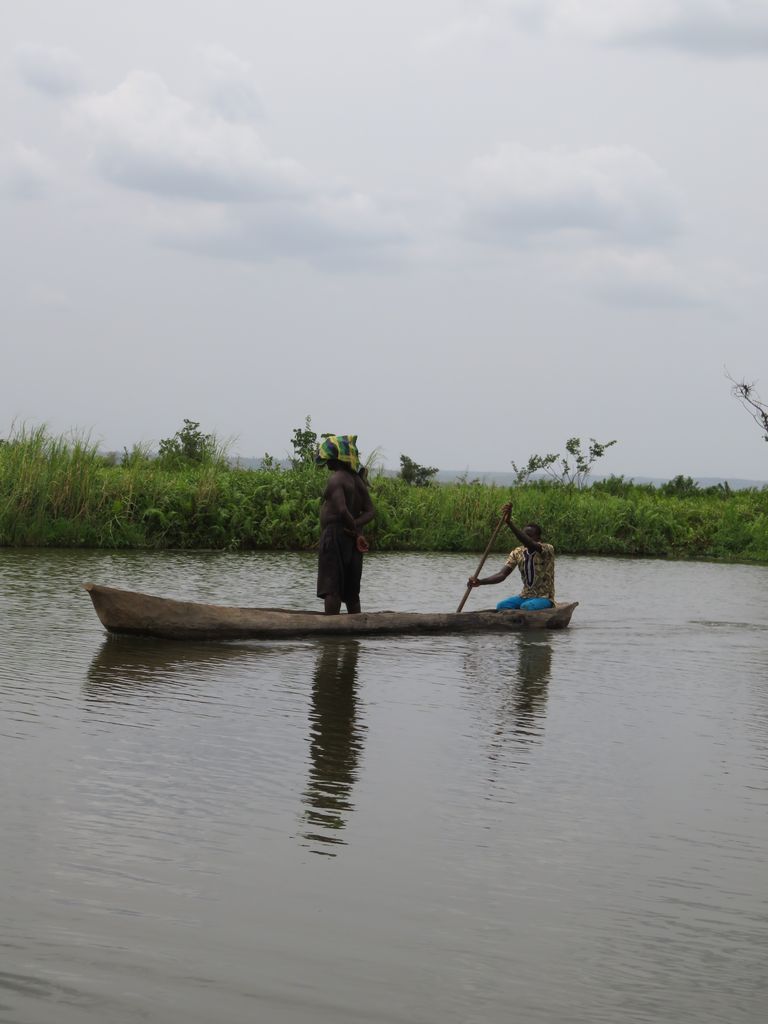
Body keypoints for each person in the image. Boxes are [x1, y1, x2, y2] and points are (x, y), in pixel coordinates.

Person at [315, 435, 375, 615]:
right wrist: (356, 531)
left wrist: (354, 530)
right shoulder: (358, 481)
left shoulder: (336, 479)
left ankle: (331, 630)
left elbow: (342, 510)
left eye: (328, 459)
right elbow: (370, 511)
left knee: (332, 589)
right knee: (352, 594)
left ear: (337, 459)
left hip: (335, 537)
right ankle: (355, 630)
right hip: (352, 540)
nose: (327, 463)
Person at [467, 503, 555, 610]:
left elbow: (530, 543)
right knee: (502, 606)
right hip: (525, 596)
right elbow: (502, 574)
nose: (525, 539)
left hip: (543, 597)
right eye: (524, 535)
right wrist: (480, 581)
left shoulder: (547, 549)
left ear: (538, 538)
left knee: (526, 607)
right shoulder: (517, 552)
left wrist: (509, 523)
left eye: (529, 536)